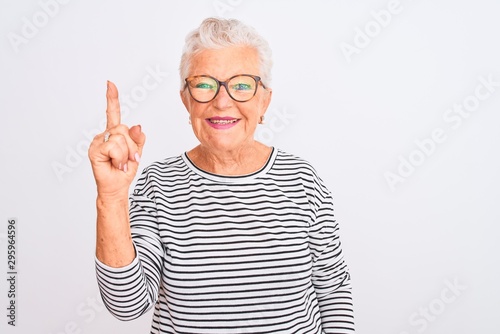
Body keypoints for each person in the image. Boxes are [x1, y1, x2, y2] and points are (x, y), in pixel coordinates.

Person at [88, 17, 355, 333]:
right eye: (204, 84)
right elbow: (127, 306)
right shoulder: (157, 185)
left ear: (264, 100)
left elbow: (333, 289)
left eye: (242, 85)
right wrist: (112, 198)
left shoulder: (302, 180)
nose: (222, 101)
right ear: (186, 100)